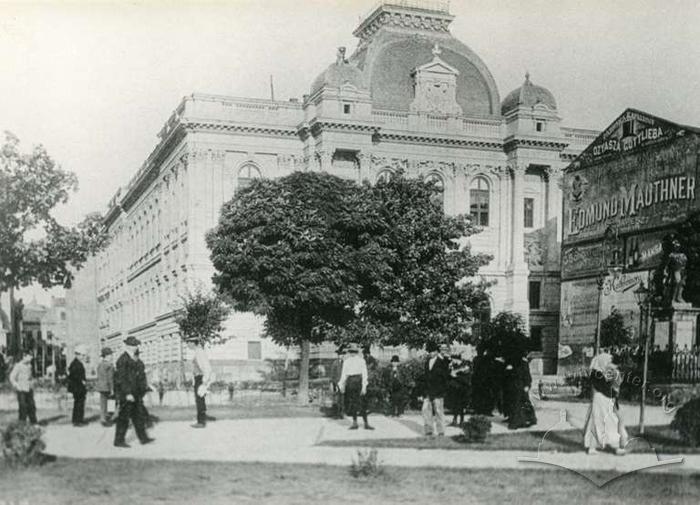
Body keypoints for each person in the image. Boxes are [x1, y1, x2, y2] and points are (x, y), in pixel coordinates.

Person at [583, 352, 628, 455]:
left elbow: (614, 386)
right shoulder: (598, 375)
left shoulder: (602, 373)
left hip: (604, 399)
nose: (610, 365)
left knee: (599, 422)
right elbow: (610, 388)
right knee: (606, 421)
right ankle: (613, 446)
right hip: (603, 399)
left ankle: (595, 447)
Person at [113, 336, 154, 448]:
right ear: (127, 346)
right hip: (128, 394)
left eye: (136, 345)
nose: (136, 347)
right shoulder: (122, 360)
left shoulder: (133, 359)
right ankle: (119, 440)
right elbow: (122, 379)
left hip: (135, 393)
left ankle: (143, 438)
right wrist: (127, 393)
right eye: (133, 345)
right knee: (124, 418)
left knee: (138, 416)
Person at [339, 343, 373, 430]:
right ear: (349, 352)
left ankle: (366, 423)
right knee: (353, 403)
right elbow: (344, 374)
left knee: (362, 403)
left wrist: (364, 386)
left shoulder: (361, 361)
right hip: (350, 382)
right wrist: (341, 385)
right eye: (351, 352)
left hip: (359, 381)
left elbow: (364, 374)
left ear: (357, 352)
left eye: (354, 352)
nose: (352, 353)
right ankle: (355, 423)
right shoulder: (346, 361)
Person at [422, 342, 450, 437]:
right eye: (429, 351)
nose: (430, 353)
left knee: (438, 411)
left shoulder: (442, 362)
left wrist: (442, 390)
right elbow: (425, 377)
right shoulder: (427, 362)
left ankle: (441, 431)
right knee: (426, 410)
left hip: (438, 391)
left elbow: (445, 377)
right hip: (428, 391)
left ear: (437, 351)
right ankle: (429, 430)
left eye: (432, 351)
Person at [188, 337, 213, 428]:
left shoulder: (200, 353)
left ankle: (201, 422)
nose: (188, 344)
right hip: (197, 378)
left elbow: (207, 368)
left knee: (200, 400)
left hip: (201, 378)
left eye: (189, 342)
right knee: (199, 399)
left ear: (193, 343)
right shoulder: (197, 352)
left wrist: (204, 381)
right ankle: (200, 420)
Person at [506, 357, 537, 430]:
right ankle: (516, 420)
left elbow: (527, 375)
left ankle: (529, 419)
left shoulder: (523, 363)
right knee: (515, 403)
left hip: (521, 385)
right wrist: (508, 369)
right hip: (512, 386)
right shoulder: (510, 362)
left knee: (524, 402)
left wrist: (527, 385)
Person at [9, 350, 37, 424]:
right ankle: (22, 424)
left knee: (32, 406)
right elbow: (12, 377)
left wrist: (32, 383)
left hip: (29, 389)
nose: (31, 358)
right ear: (24, 356)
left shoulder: (29, 366)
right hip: (21, 390)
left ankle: (33, 423)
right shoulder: (18, 366)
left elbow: (30, 377)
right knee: (23, 407)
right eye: (29, 356)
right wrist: (16, 385)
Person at [447, 353, 471, 426]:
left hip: (463, 390)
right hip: (455, 389)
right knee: (455, 405)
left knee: (461, 406)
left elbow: (466, 381)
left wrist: (456, 376)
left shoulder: (465, 367)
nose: (452, 361)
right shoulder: (454, 367)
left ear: (457, 359)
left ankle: (462, 421)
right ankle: (454, 420)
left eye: (453, 360)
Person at [67, 345, 88, 426]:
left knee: (79, 403)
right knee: (79, 404)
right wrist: (82, 381)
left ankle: (78, 420)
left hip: (78, 387)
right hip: (78, 387)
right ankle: (78, 421)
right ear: (77, 355)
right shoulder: (76, 364)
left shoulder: (77, 363)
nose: (83, 357)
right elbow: (74, 376)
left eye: (83, 355)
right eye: (82, 355)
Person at [96, 347, 115, 426]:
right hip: (107, 386)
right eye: (110, 354)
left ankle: (103, 418)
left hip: (101, 386)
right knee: (111, 403)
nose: (112, 356)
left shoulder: (100, 364)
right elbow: (110, 378)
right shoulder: (109, 365)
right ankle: (108, 418)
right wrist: (112, 389)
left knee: (103, 403)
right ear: (107, 356)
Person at [329, 346, 346, 419]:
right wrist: (333, 383)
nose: (341, 356)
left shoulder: (345, 363)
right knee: (337, 398)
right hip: (337, 382)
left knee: (342, 398)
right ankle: (337, 413)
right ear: (338, 355)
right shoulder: (335, 363)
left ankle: (341, 413)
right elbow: (332, 374)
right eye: (339, 355)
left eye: (342, 355)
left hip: (343, 383)